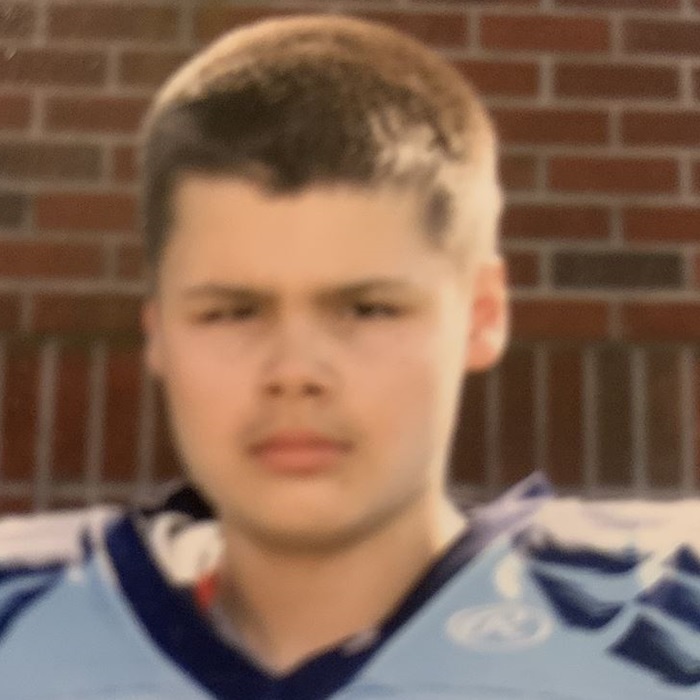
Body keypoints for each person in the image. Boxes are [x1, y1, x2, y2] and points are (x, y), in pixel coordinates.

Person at [0, 14, 698, 700]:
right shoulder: (22, 625)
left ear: (483, 314)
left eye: (368, 309)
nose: (295, 372)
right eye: (233, 312)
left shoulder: (667, 623)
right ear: (157, 330)